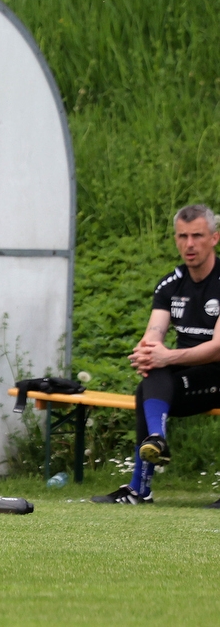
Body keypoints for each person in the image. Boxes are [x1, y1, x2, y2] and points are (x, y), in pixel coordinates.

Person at [92, 204, 220, 509]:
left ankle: (140, 483)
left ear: (214, 238)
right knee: (151, 373)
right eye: (182, 236)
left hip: (216, 372)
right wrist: (148, 351)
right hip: (187, 376)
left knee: (159, 370)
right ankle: (155, 444)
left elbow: (217, 348)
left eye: (198, 236)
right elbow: (154, 333)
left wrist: (167, 356)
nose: (189, 245)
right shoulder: (170, 284)